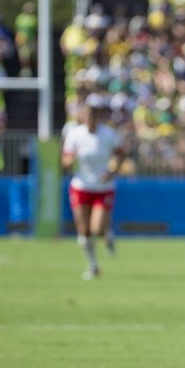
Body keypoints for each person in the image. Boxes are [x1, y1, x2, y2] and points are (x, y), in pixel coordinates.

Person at [61, 94, 126, 280]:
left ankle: (108, 234)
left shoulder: (108, 134)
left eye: (92, 117)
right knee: (84, 231)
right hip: (81, 185)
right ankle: (93, 266)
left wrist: (112, 172)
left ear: (97, 118)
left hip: (103, 186)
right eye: (86, 117)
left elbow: (121, 154)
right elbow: (65, 160)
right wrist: (70, 160)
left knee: (97, 229)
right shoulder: (74, 134)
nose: (89, 121)